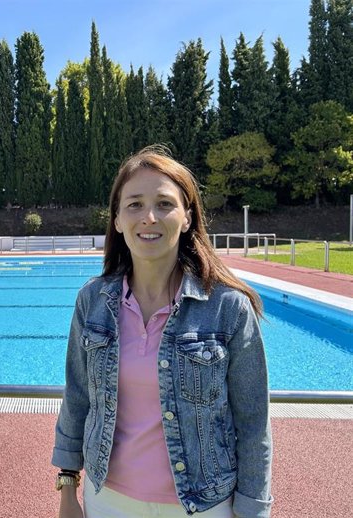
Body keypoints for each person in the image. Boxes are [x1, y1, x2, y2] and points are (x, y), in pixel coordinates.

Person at [52, 146, 272, 518]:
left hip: (203, 505)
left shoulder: (228, 308)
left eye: (165, 204)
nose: (149, 217)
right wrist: (68, 487)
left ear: (187, 217)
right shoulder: (92, 301)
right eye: (134, 204)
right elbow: (77, 399)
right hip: (106, 500)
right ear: (118, 220)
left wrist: (253, 511)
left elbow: (253, 424)